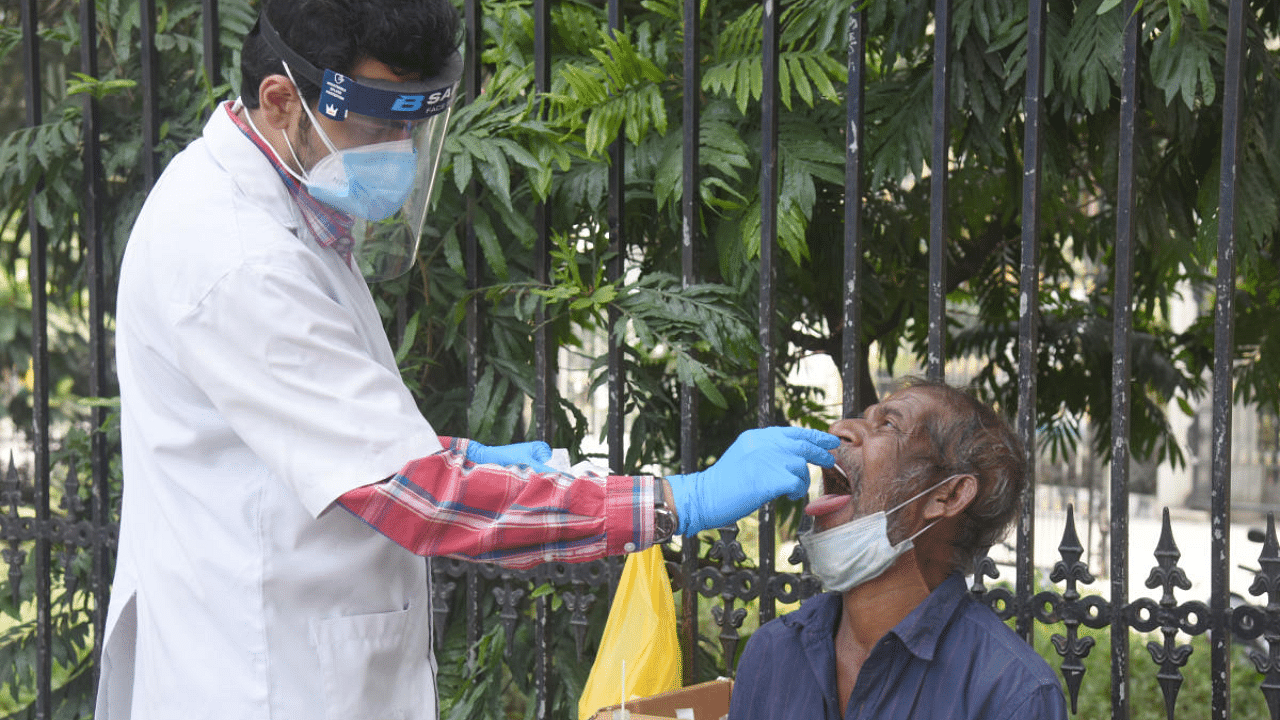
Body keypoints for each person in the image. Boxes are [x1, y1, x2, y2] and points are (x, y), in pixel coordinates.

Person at [95, 2, 839, 718]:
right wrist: (679, 501)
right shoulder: (237, 258)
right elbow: (420, 501)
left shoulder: (281, 206)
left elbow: (312, 426)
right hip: (262, 677)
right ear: (282, 99)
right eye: (378, 126)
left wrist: (455, 455)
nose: (398, 153)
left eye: (412, 128)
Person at [728, 378, 1067, 720]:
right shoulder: (772, 653)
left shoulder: (1013, 696)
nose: (840, 429)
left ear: (947, 495)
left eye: (888, 425)